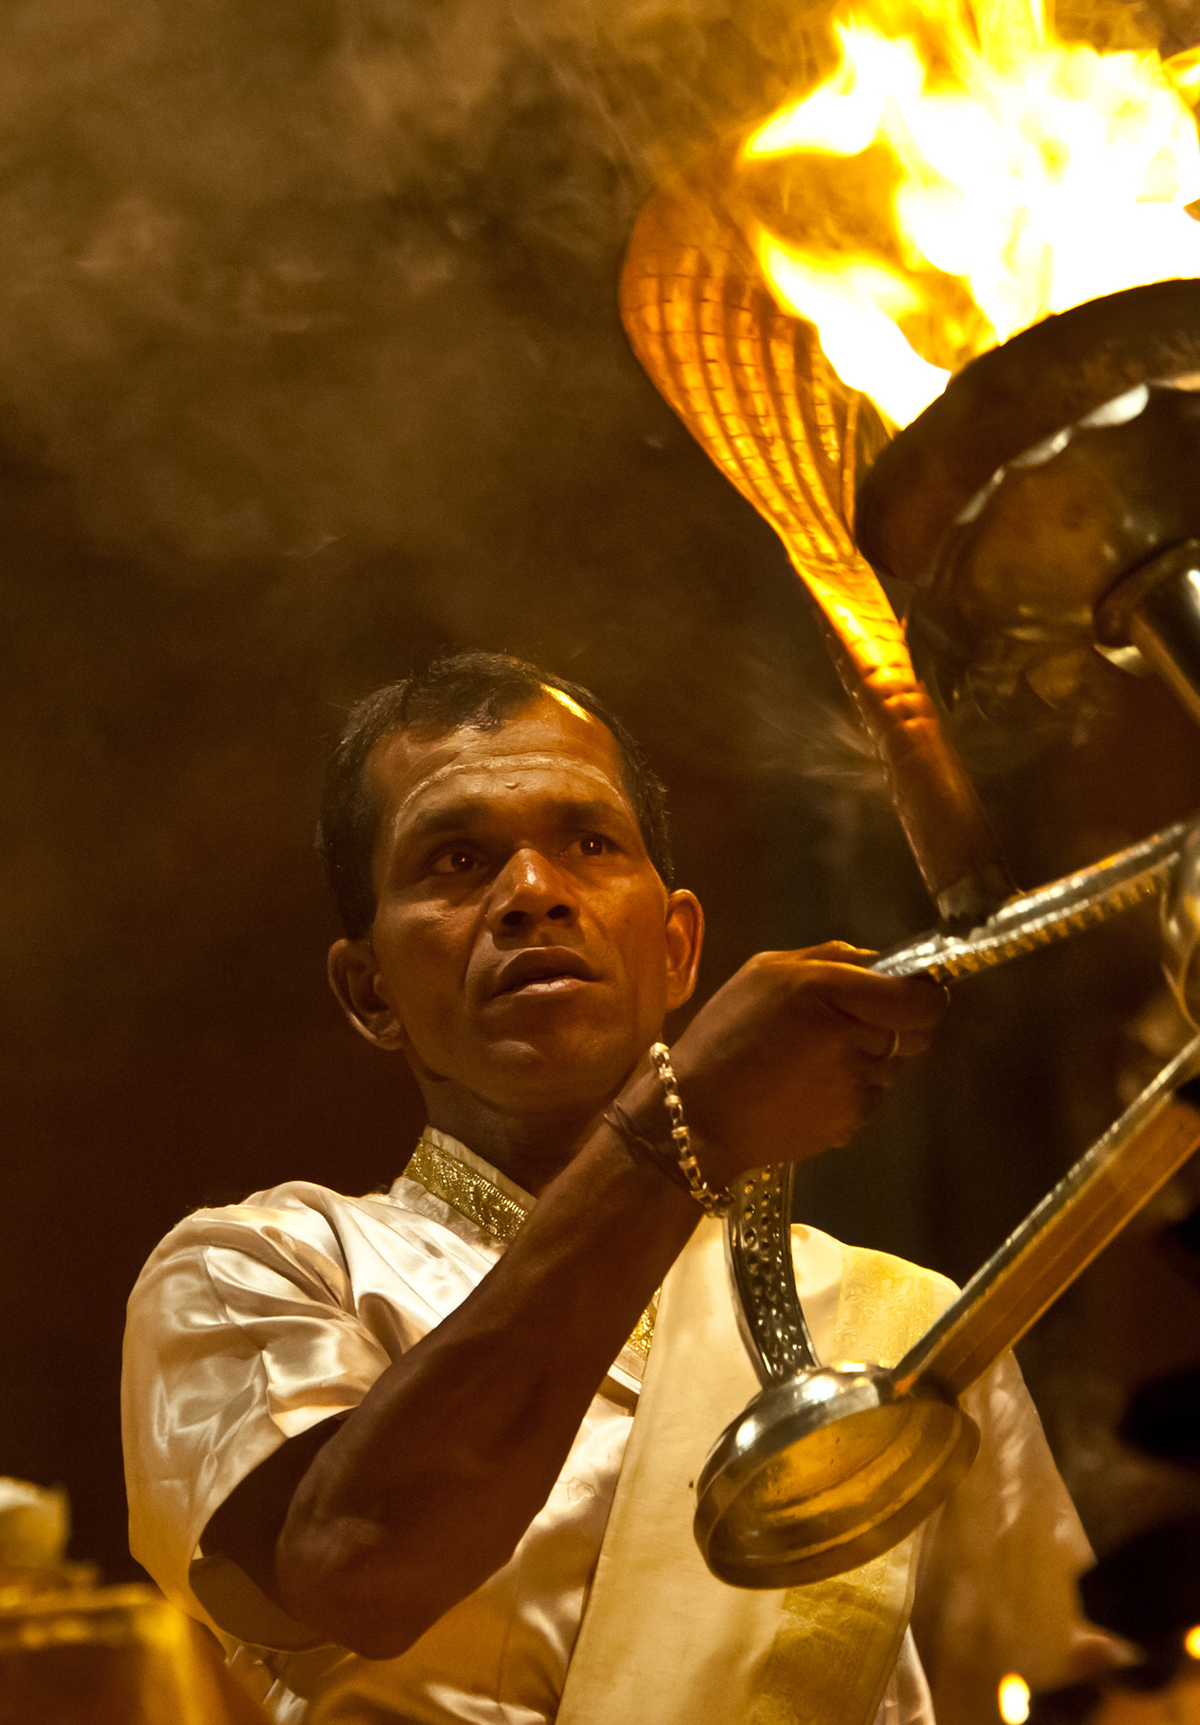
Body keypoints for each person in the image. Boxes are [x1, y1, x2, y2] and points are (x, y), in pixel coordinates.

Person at [122, 651, 1118, 1724]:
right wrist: (684, 1125)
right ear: (369, 991)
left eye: (589, 844)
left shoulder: (909, 1333)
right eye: (455, 860)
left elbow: (1066, 1694)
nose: (533, 896)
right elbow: (357, 1562)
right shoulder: (253, 1268)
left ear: (680, 946)